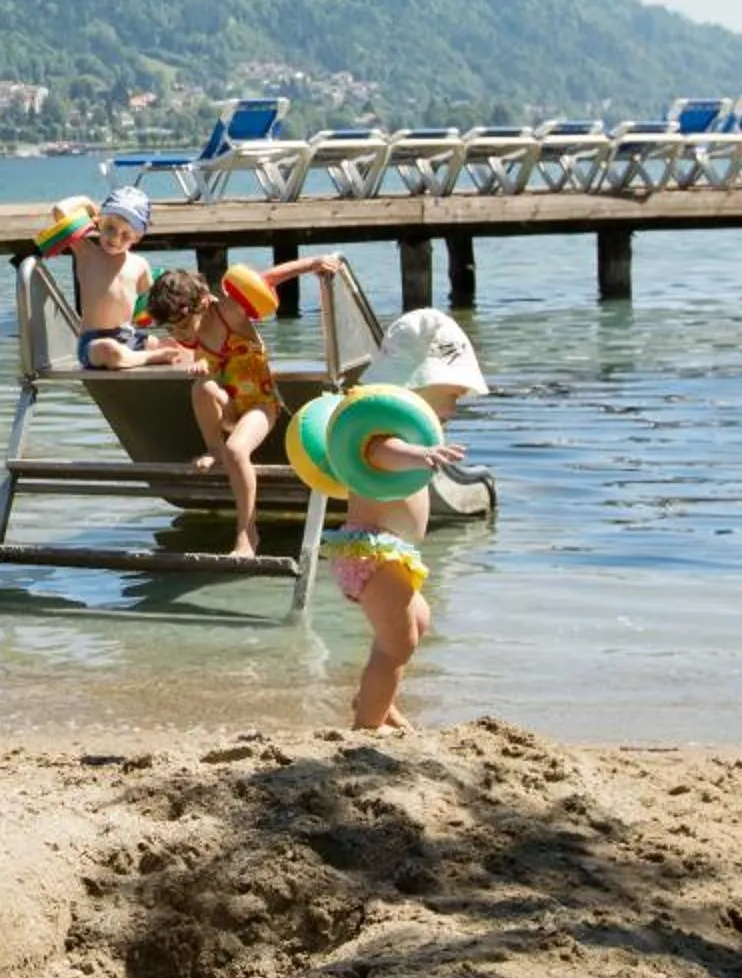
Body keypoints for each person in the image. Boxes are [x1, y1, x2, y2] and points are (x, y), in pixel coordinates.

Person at [325, 309, 485, 731]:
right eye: (452, 393)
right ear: (419, 385)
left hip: (386, 551)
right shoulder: (379, 433)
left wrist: (422, 450)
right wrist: (420, 455)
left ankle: (377, 701)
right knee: (398, 641)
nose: (458, 402)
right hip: (369, 549)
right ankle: (366, 728)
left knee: (416, 624)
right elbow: (381, 451)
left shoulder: (409, 434)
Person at [133, 253, 343, 557]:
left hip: (260, 404)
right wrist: (201, 368)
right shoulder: (190, 334)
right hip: (228, 406)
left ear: (202, 303)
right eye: (171, 331)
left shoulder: (227, 313)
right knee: (201, 388)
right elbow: (214, 370)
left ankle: (247, 534)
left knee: (237, 450)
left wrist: (313, 264)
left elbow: (268, 279)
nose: (179, 336)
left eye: (182, 327)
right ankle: (213, 449)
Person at [61, 187, 157, 370]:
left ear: (137, 237)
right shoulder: (87, 254)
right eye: (110, 228)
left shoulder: (139, 264)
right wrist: (86, 202)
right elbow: (60, 211)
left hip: (128, 337)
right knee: (109, 350)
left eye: (126, 235)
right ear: (99, 223)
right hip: (94, 342)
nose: (115, 238)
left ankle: (139, 356)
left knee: (166, 344)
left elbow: (156, 303)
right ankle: (148, 358)